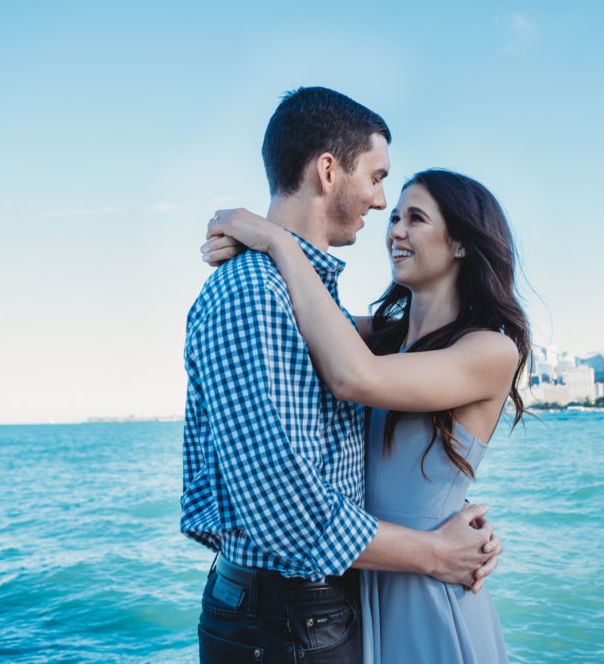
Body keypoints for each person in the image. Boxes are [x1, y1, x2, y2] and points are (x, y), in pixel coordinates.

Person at [182, 88, 501, 664]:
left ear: (460, 244)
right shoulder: (264, 295)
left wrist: (272, 237)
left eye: (413, 215)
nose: (383, 210)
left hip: (352, 593)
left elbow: (362, 387)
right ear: (328, 171)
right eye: (379, 181)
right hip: (300, 608)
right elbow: (284, 504)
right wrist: (432, 550)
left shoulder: (318, 304)